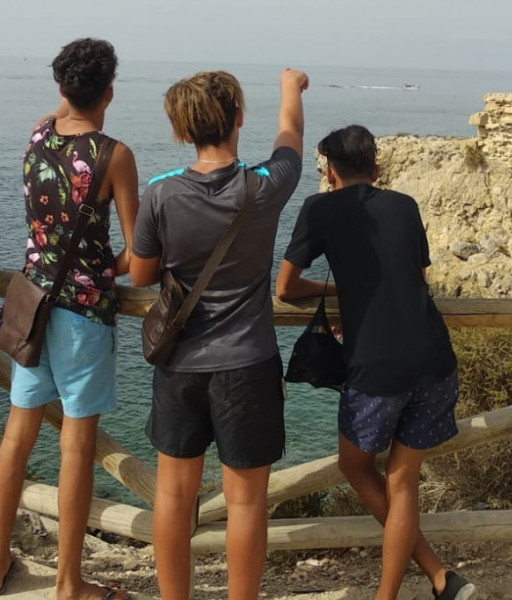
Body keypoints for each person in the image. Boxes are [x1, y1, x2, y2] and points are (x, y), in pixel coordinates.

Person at [276, 125, 476, 600]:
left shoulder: (319, 208)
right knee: (403, 481)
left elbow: (285, 287)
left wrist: (333, 289)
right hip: (433, 357)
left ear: (329, 170)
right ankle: (439, 579)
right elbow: (408, 273)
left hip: (376, 365)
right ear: (377, 168)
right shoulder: (404, 205)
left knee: (354, 466)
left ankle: (427, 579)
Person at [129, 67, 306, 600]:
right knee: (247, 502)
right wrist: (289, 89)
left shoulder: (159, 194)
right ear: (237, 119)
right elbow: (291, 138)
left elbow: (139, 275)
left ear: (183, 131)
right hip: (247, 363)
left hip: (180, 364)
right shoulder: (265, 186)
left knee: (173, 496)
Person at [0, 38, 139, 600]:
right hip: (83, 313)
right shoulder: (116, 155)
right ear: (110, 91)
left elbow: (61, 111)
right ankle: (69, 583)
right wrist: (102, 270)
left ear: (60, 89)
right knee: (77, 448)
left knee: (16, 438)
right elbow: (138, 254)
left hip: (31, 303)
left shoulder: (37, 135)